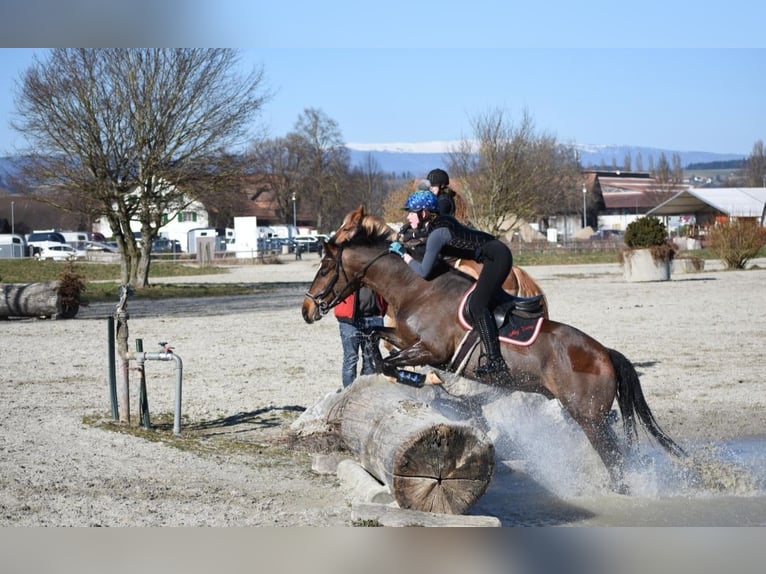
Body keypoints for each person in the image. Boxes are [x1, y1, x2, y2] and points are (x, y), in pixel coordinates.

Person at [390, 190, 513, 384]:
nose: (407, 216)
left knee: (476, 305)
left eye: (411, 212)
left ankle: (495, 361)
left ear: (424, 214)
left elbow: (423, 272)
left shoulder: (438, 233)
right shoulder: (436, 226)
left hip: (497, 257)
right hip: (492, 254)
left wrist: (403, 256)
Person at [333, 286, 387, 388]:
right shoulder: (347, 270)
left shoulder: (373, 270)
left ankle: (366, 395)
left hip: (373, 317)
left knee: (370, 360)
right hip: (350, 322)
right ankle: (349, 395)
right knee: (351, 359)